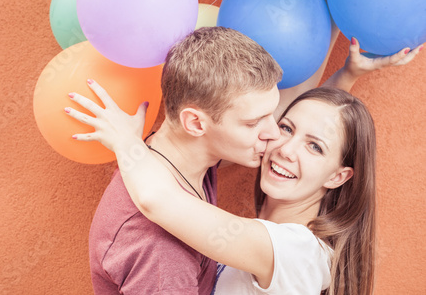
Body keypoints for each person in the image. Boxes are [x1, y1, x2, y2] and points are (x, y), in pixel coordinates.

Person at [67, 27, 421, 294]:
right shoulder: (160, 251)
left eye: (313, 147)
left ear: (339, 176)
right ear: (196, 124)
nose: (276, 140)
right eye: (276, 126)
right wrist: (346, 69)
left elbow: (156, 199)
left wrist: (127, 143)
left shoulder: (292, 250)